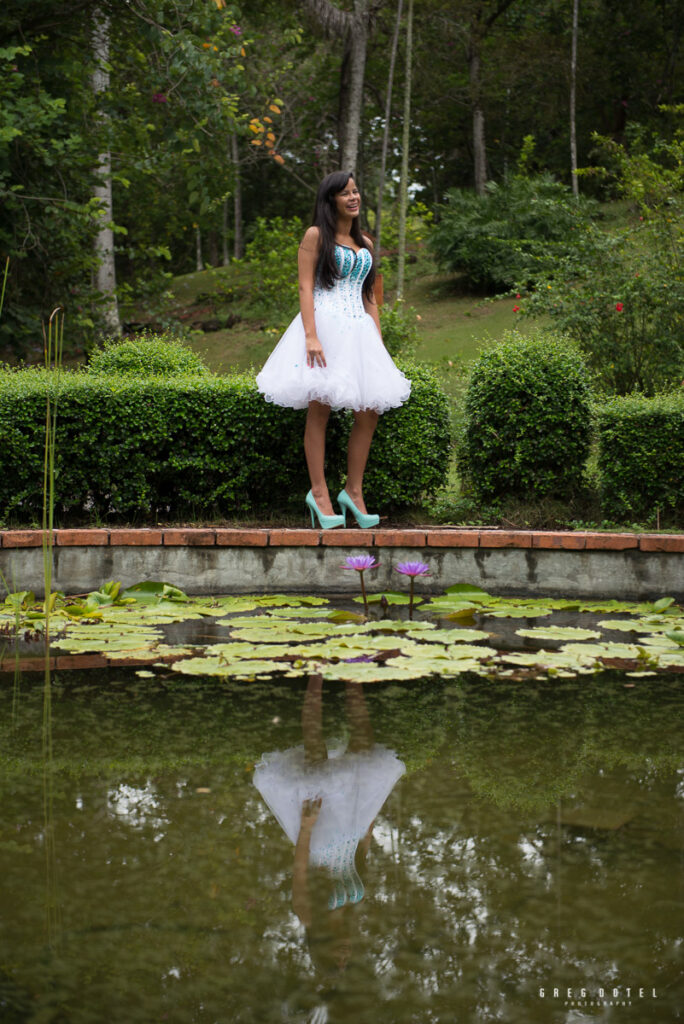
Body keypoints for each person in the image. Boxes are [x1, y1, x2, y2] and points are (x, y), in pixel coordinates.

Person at [256, 171, 411, 529]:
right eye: (345, 193)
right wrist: (311, 336)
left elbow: (370, 296)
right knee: (320, 406)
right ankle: (319, 493)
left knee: (369, 410)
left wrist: (378, 341)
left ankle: (352, 493)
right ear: (330, 201)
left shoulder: (367, 245)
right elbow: (305, 288)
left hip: (359, 332)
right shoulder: (315, 236)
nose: (353, 198)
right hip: (324, 327)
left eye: (356, 191)